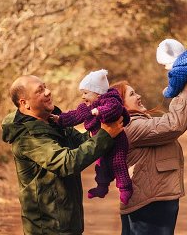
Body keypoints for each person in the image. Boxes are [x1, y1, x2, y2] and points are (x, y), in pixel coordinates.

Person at [1, 74, 124, 235]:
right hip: (48, 227)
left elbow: (82, 142)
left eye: (45, 86)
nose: (48, 92)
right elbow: (67, 162)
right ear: (25, 103)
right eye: (40, 90)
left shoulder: (53, 122)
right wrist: (105, 136)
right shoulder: (28, 137)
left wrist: (107, 124)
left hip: (67, 222)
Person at [111, 72, 187, 235]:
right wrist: (186, 90)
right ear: (120, 105)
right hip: (149, 203)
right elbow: (174, 125)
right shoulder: (130, 127)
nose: (139, 96)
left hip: (153, 199)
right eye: (132, 94)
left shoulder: (134, 123)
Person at [51, 69, 133, 205]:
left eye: (85, 93)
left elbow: (114, 110)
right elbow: (74, 115)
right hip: (101, 141)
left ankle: (125, 188)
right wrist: (59, 119)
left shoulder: (111, 100)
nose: (83, 97)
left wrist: (100, 111)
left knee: (118, 163)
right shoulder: (87, 107)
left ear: (98, 93)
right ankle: (102, 187)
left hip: (117, 140)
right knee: (101, 165)